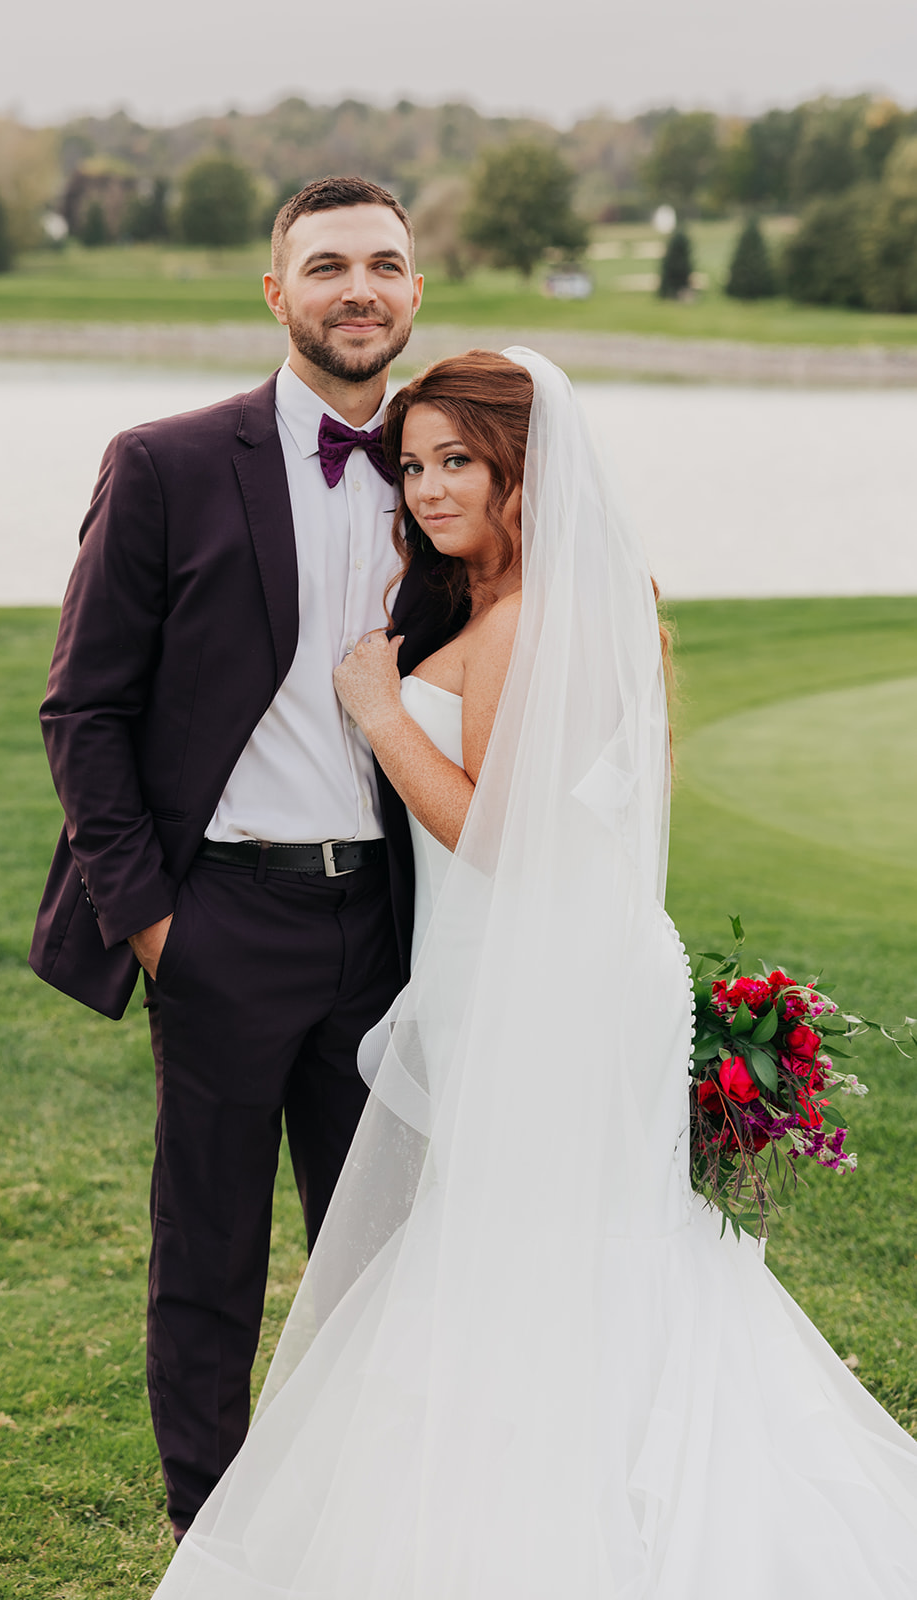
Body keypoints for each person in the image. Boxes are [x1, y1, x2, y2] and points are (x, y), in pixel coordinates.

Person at [151, 348, 917, 1599]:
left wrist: (379, 711)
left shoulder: (535, 616)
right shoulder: (536, 598)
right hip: (554, 969)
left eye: (460, 462)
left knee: (521, 1259)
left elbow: (507, 831)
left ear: (524, 470)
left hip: (546, 983)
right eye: (414, 463)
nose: (428, 487)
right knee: (571, 1254)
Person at [29, 177, 462, 1543]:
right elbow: (84, 709)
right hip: (218, 916)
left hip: (385, 931)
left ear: (412, 292)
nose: (358, 289)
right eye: (325, 264)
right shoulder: (162, 462)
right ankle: (210, 1543)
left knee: (379, 1251)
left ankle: (361, 1520)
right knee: (209, 1256)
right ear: (274, 292)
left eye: (382, 265)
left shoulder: (447, 470)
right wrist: (152, 921)